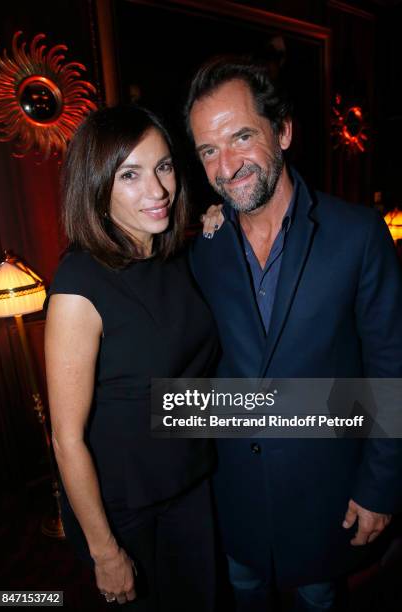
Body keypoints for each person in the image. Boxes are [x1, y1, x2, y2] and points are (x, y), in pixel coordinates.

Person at [184, 56, 402, 611]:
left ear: (282, 132)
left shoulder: (357, 233)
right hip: (234, 501)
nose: (226, 165)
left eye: (241, 138)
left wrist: (379, 486)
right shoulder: (200, 248)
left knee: (318, 600)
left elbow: (389, 367)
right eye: (208, 150)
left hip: (325, 497)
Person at [44, 105, 219, 610]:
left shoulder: (173, 254)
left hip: (189, 481)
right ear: (97, 187)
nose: (158, 190)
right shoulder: (79, 285)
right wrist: (105, 550)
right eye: (130, 174)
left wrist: (214, 220)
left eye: (164, 166)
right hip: (124, 509)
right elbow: (67, 439)